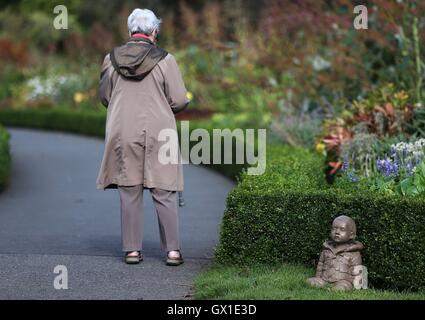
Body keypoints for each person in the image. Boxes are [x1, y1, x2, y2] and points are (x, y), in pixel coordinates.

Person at [96, 8, 190, 265]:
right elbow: (180, 100)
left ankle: (132, 251)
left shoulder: (111, 58)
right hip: (160, 130)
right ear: (154, 32)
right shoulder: (165, 59)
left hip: (123, 129)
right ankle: (172, 251)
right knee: (164, 189)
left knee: (129, 190)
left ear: (130, 32)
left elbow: (105, 97)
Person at [306, 215, 363, 290]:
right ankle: (321, 284)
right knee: (309, 281)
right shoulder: (326, 249)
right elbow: (320, 264)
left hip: (344, 281)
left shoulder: (354, 253)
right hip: (324, 279)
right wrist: (318, 277)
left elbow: (357, 270)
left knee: (343, 286)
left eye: (342, 229)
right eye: (334, 229)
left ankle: (337, 288)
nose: (337, 232)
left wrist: (356, 284)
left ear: (351, 234)